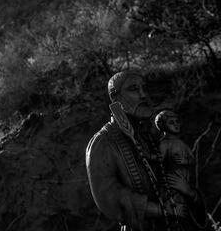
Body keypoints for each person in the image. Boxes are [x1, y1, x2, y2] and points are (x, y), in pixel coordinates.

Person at [85, 71, 204, 231]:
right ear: (116, 98)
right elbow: (109, 197)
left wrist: (189, 193)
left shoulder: (151, 137)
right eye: (134, 89)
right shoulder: (104, 142)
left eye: (144, 89)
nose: (143, 95)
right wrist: (160, 210)